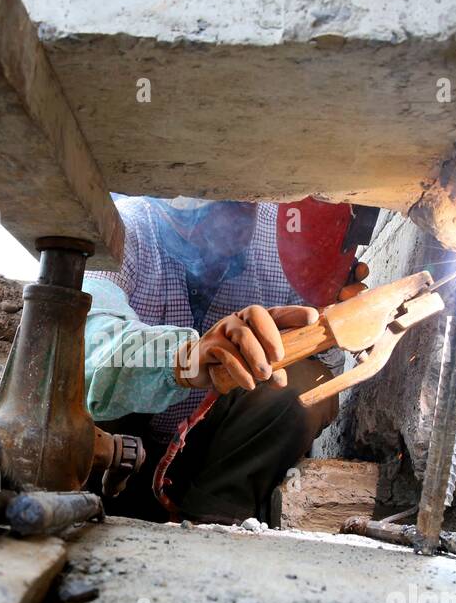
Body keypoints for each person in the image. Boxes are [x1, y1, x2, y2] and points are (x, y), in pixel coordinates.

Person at [83, 195, 368, 525]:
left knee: (304, 381)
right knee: (76, 371)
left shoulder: (289, 244)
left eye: (232, 210)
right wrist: (184, 360)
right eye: (192, 218)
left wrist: (332, 319)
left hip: (219, 457)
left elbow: (324, 378)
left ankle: (214, 526)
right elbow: (90, 337)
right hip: (118, 450)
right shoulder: (125, 228)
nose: (213, 232)